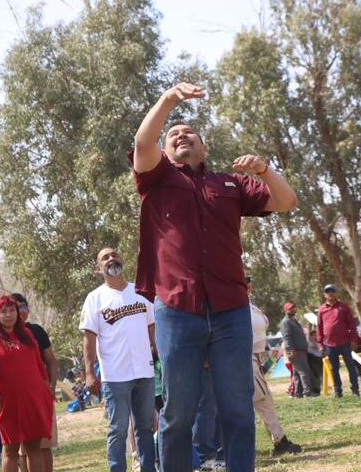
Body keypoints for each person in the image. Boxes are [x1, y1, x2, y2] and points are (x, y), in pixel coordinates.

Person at [130, 81, 298, 472]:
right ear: (164, 151)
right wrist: (169, 99)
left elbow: (287, 201)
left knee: (237, 408)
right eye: (173, 134)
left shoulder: (230, 184)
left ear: (204, 149)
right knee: (179, 413)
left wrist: (265, 171)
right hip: (177, 309)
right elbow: (142, 142)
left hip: (230, 310)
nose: (180, 134)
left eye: (189, 132)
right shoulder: (155, 178)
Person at [80, 248, 157, 472]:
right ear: (98, 269)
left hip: (144, 371)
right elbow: (89, 338)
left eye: (114, 255)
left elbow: (152, 326)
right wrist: (90, 373)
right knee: (118, 429)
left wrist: (155, 355)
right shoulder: (95, 298)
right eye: (105, 257)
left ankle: (148, 468)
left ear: (122, 260)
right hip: (115, 376)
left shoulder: (140, 291)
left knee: (145, 427)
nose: (111, 258)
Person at [0, 295, 53, 472]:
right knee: (11, 450)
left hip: (34, 399)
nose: (9, 315)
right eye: (4, 311)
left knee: (34, 448)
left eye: (12, 310)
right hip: (8, 402)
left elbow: (39, 364)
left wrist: (46, 390)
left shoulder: (26, 334)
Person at [246, 277, 303, 456]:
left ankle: (279, 440)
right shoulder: (234, 306)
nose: (249, 283)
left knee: (264, 400)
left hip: (258, 357)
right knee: (261, 400)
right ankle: (277, 441)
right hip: (245, 358)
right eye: (245, 280)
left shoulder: (251, 306)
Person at [9, 292, 58, 471]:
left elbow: (51, 360)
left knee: (43, 445)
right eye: (16, 308)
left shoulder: (36, 331)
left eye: (24, 306)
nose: (21, 311)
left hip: (41, 394)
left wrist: (51, 386)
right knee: (20, 449)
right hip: (15, 398)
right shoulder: (2, 335)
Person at [316, 284, 361, 397]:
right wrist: (320, 344)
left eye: (332, 291)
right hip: (329, 345)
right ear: (324, 294)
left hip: (345, 343)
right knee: (334, 369)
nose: (330, 293)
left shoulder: (343, 307)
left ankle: (355, 390)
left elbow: (352, 325)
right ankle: (338, 391)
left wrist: (354, 340)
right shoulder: (321, 309)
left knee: (351, 366)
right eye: (328, 291)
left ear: (336, 293)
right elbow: (319, 327)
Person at [278, 302, 319, 398]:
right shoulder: (285, 322)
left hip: (301, 350)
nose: (293, 310)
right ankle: (307, 393)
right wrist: (291, 350)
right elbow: (287, 337)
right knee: (304, 371)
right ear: (286, 310)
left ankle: (298, 393)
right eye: (290, 308)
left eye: (294, 308)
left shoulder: (294, 320)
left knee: (297, 373)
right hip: (295, 350)